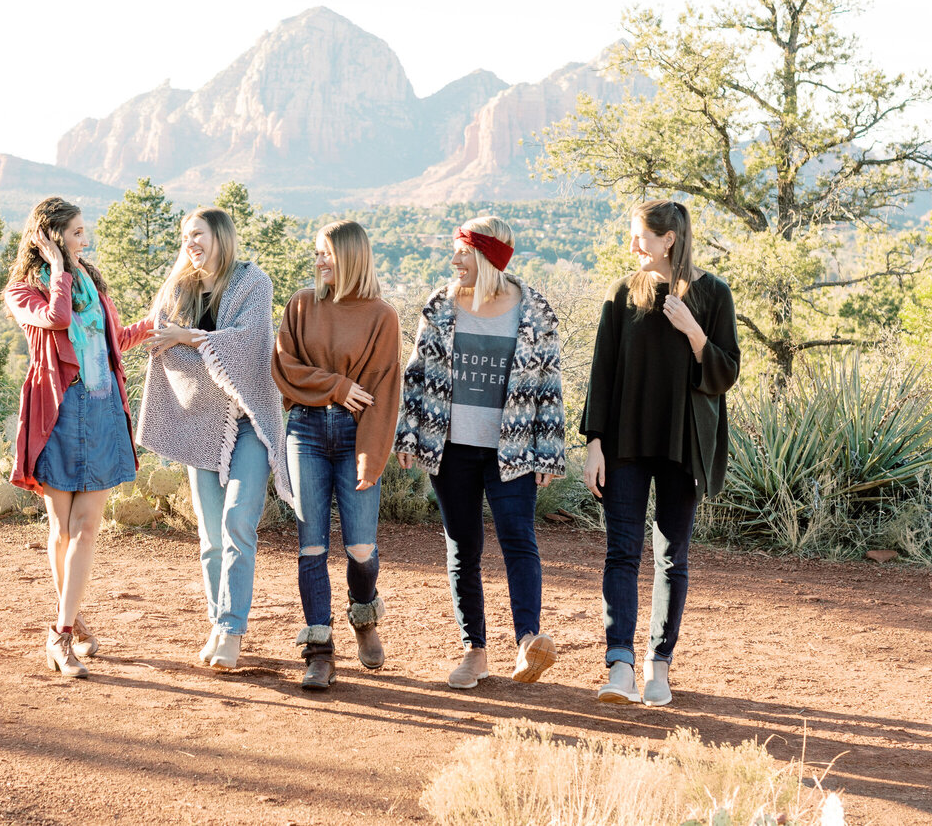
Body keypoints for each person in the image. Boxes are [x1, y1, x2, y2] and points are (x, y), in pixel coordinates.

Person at [394, 215, 566, 689]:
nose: (454, 261)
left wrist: (548, 450)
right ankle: (475, 651)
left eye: (463, 252)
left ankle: (529, 642)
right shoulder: (441, 306)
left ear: (487, 256)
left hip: (509, 450)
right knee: (462, 546)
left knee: (518, 538)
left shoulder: (534, 311)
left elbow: (548, 386)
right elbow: (418, 372)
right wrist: (409, 434)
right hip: (451, 448)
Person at [580, 199, 740, 707]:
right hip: (625, 446)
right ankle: (620, 666)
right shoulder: (623, 293)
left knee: (672, 559)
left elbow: (725, 373)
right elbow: (601, 373)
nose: (632, 246)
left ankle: (658, 667)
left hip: (683, 447)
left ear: (668, 239)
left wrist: (693, 332)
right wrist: (594, 443)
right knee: (621, 552)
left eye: (640, 237)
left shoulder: (714, 294)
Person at [133, 206, 295, 671]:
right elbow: (161, 344)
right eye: (185, 236)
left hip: (249, 421)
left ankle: (231, 629)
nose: (190, 243)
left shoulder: (252, 281)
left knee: (238, 523)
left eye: (198, 234)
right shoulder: (178, 289)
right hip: (199, 421)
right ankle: (217, 619)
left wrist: (190, 337)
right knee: (209, 536)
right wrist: (187, 339)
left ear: (220, 236)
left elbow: (248, 343)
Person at [4, 197, 139, 679]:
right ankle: (72, 613)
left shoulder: (92, 282)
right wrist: (60, 267)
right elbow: (58, 320)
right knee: (60, 530)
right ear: (54, 237)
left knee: (86, 528)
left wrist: (157, 329)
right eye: (78, 232)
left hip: (101, 409)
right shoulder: (24, 292)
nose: (87, 239)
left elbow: (111, 340)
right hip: (57, 413)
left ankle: (59, 632)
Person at [272, 220, 402, 691]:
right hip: (304, 430)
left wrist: (371, 455)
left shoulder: (382, 316)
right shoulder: (302, 305)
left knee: (361, 547)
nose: (319, 261)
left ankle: (363, 615)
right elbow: (284, 367)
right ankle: (320, 650)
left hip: (355, 435)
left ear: (351, 256)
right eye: (316, 253)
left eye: (327, 253)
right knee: (312, 544)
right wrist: (337, 386)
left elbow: (383, 393)